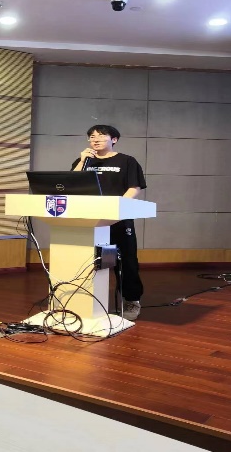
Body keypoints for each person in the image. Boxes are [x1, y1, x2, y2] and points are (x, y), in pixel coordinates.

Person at [71, 125, 146, 321]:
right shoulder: (84, 161)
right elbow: (71, 185)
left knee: (126, 261)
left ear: (114, 139)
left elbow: (134, 187)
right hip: (90, 219)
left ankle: (131, 300)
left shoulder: (127, 161)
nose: (95, 139)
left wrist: (117, 208)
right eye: (91, 136)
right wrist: (82, 161)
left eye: (101, 135)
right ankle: (88, 300)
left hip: (118, 218)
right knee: (92, 260)